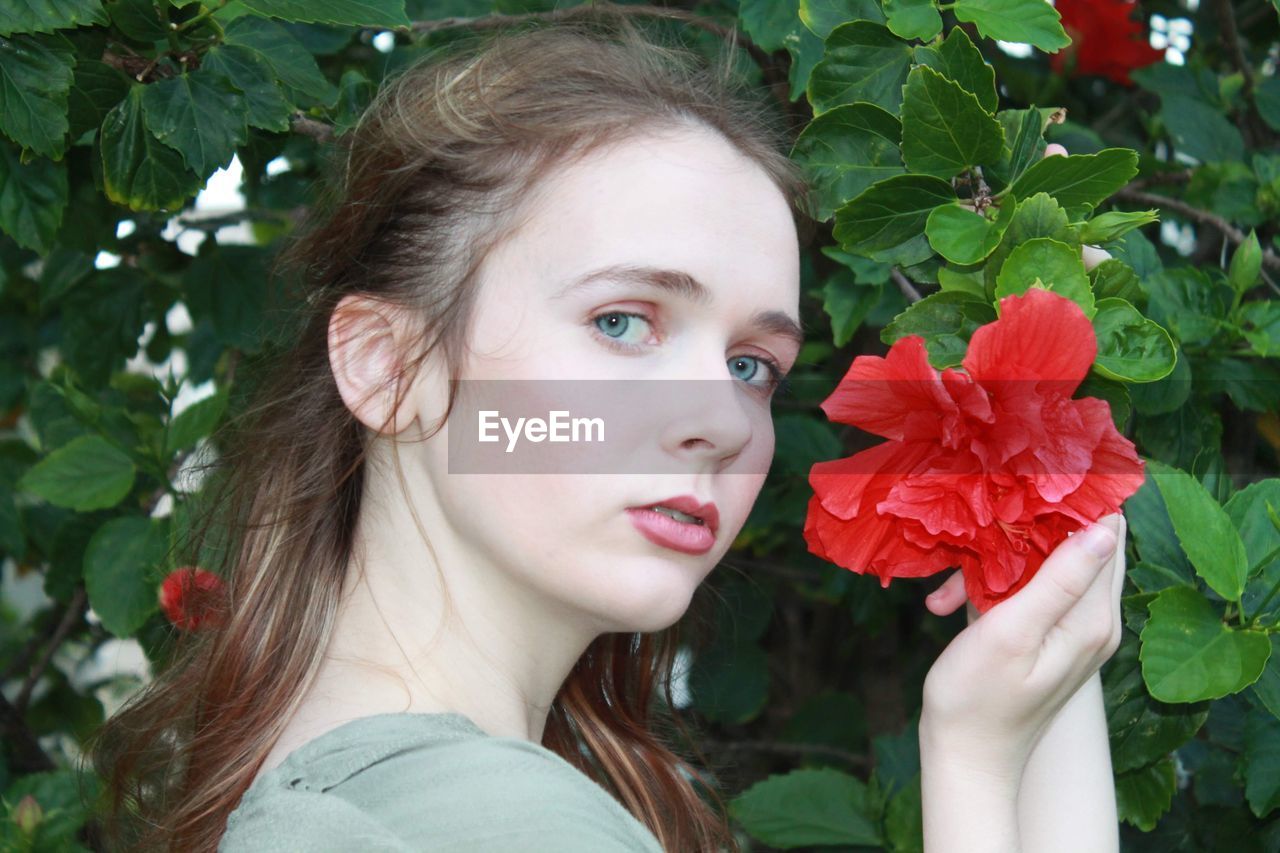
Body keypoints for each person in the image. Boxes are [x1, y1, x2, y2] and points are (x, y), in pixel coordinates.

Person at [87, 7, 1126, 852]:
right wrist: (970, 763)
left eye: (749, 364)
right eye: (621, 321)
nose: (718, 418)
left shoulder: (360, 796)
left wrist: (1034, 583)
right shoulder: (485, 823)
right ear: (386, 365)